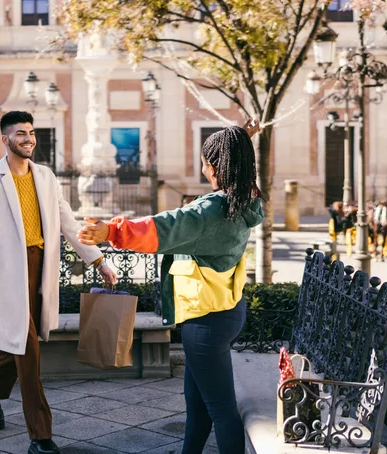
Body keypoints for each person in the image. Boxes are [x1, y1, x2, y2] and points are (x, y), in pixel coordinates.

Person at [77, 123, 264, 454]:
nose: (203, 168)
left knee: (220, 409)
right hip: (222, 312)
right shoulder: (244, 200)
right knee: (199, 405)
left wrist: (111, 231)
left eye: (206, 161)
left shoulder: (212, 210)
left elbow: (162, 228)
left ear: (215, 166)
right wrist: (242, 137)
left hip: (206, 320)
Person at [0, 111, 117, 454]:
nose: (28, 138)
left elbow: (69, 225)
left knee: (17, 340)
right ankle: (40, 436)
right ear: (5, 140)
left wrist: (98, 260)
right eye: (20, 133)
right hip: (4, 276)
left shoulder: (46, 177)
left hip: (40, 271)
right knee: (27, 349)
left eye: (31, 132)